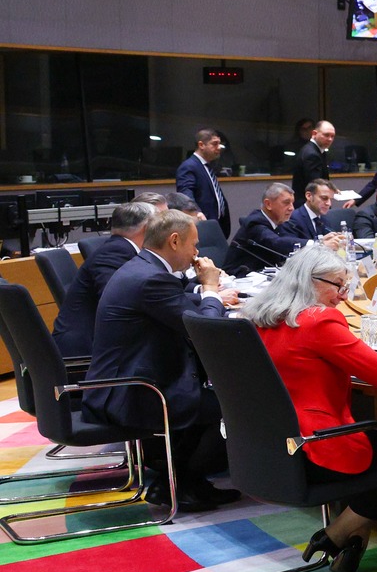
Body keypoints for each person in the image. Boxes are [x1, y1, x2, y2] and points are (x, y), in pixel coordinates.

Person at [246, 246, 377, 572]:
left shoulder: (261, 317)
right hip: (316, 448)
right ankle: (337, 533)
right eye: (337, 285)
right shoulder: (319, 321)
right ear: (309, 281)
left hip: (272, 450)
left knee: (371, 441)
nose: (341, 297)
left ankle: (351, 541)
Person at [83, 210, 240, 510]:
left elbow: (175, 306)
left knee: (210, 395)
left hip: (128, 381)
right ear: (174, 240)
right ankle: (181, 482)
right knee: (236, 404)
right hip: (131, 393)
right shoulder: (152, 278)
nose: (197, 252)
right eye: (194, 244)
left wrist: (205, 297)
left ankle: (178, 482)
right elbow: (202, 330)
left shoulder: (142, 267)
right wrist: (210, 289)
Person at [52, 201, 150, 358]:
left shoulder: (120, 247)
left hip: (100, 345)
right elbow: (116, 301)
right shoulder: (115, 251)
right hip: (86, 352)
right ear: (147, 228)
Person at [224, 183, 302, 274]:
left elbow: (287, 243)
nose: (292, 208)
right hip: (238, 279)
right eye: (286, 203)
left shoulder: (280, 222)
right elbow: (275, 242)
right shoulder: (254, 223)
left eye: (292, 203)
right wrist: (313, 243)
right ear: (268, 204)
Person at [175, 128, 231, 222]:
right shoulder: (189, 166)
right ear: (201, 145)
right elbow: (186, 196)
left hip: (215, 222)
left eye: (219, 143)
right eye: (214, 144)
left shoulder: (206, 166)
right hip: (202, 222)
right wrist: (196, 213)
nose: (219, 147)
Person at [292, 120, 336, 202]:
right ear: (314, 134)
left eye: (332, 136)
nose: (330, 139)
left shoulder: (313, 149)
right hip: (309, 204)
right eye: (326, 135)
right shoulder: (312, 154)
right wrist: (331, 192)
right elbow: (315, 184)